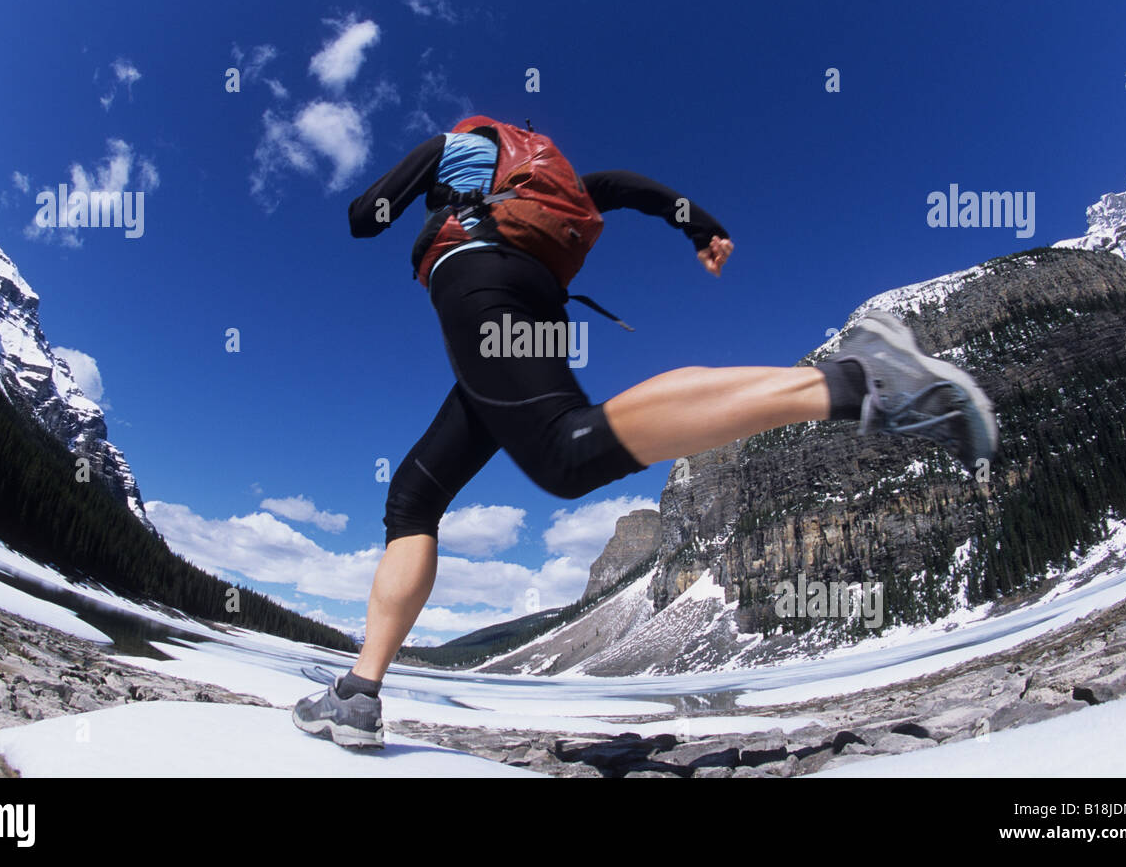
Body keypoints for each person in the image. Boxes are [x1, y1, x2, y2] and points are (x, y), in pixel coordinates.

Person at [293, 115, 998, 749]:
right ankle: (359, 693)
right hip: (535, 304)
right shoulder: (562, 180)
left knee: (566, 455)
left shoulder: (453, 147)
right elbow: (628, 187)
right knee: (415, 495)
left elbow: (364, 217)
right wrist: (700, 224)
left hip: (476, 279)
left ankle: (856, 382)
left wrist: (410, 193)